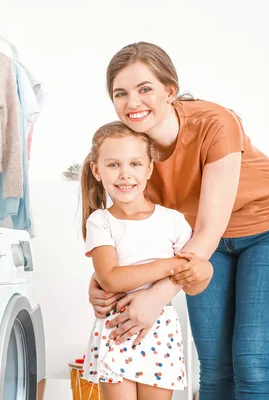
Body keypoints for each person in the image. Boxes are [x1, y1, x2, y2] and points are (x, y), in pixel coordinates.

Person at [87, 42, 269, 400]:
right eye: (120, 93)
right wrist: (102, 277)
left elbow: (208, 231)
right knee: (215, 366)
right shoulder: (133, 152)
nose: (133, 103)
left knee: (252, 363)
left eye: (145, 89)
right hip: (197, 246)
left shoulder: (215, 123)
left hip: (267, 228)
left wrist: (156, 297)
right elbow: (135, 228)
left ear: (170, 91)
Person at [78, 121, 213, 400]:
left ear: (150, 168)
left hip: (159, 331)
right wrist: (172, 265)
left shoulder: (173, 222)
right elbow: (111, 278)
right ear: (96, 170)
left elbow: (194, 285)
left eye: (135, 164)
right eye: (113, 164)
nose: (125, 174)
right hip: (118, 329)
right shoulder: (101, 221)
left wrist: (204, 269)